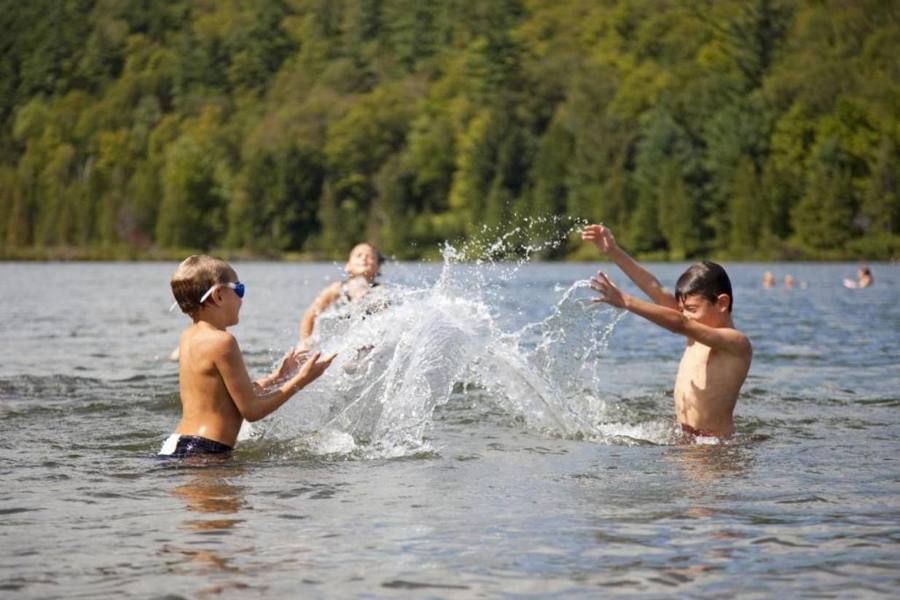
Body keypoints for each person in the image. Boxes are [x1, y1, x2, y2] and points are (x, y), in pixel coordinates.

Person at [582, 224, 752, 439]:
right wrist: (614, 252)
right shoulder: (695, 332)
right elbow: (654, 288)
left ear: (721, 303)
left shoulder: (736, 343)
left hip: (714, 448)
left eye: (691, 309)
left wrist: (626, 300)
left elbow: (680, 323)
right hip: (684, 440)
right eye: (682, 309)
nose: (685, 314)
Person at [160, 255, 336, 458]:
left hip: (178, 444)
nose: (242, 299)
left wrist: (276, 377)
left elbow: (225, 398)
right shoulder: (222, 342)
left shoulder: (189, 336)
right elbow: (252, 411)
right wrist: (302, 380)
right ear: (218, 295)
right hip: (204, 452)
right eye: (239, 289)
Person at [299, 242, 385, 345]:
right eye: (358, 255)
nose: (364, 258)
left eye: (371, 257)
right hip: (340, 340)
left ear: (378, 267)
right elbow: (310, 314)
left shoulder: (380, 291)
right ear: (348, 266)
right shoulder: (337, 289)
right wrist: (305, 342)